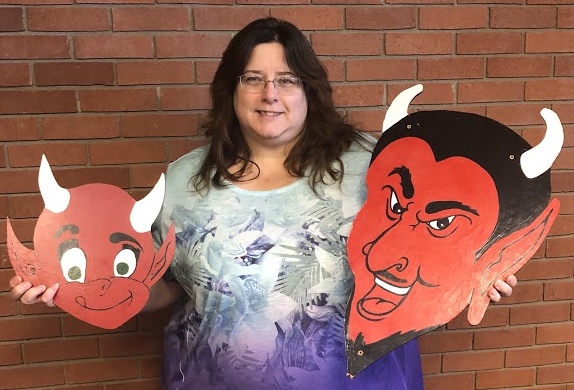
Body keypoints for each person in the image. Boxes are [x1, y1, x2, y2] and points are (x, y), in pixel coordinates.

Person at [9, 17, 516, 390]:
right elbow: (164, 289)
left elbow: (435, 255)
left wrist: (475, 276)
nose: (270, 93)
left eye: (287, 80)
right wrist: (73, 289)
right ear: (231, 91)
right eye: (253, 78)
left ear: (309, 91)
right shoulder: (185, 179)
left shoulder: (378, 168)